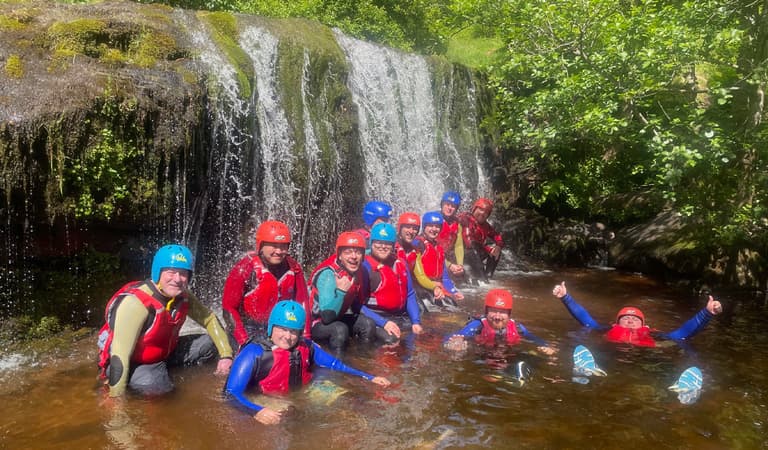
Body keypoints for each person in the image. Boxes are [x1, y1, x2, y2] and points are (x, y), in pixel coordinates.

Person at [97, 244, 233, 397]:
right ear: (157, 272)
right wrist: (116, 402)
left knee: (209, 344)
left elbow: (209, 320)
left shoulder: (183, 296)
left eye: (183, 274)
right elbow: (119, 355)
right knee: (163, 394)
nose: (177, 279)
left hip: (165, 353)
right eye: (171, 272)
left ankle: (163, 373)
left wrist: (226, 356)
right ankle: (143, 383)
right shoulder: (136, 304)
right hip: (138, 363)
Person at [225, 301, 391, 425]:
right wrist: (256, 411)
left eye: (293, 331)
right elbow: (230, 394)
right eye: (282, 329)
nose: (287, 336)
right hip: (265, 397)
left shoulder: (306, 346)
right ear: (271, 327)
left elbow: (335, 365)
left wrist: (369, 377)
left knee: (352, 400)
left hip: (306, 389)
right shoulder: (254, 353)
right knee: (291, 418)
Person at [221, 220, 310, 348]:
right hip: (249, 328)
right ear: (261, 245)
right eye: (274, 245)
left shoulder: (294, 268)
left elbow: (302, 303)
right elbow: (228, 308)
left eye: (284, 246)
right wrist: (243, 341)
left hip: (280, 327)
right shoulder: (245, 267)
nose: (279, 251)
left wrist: (306, 337)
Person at [551, 281, 723, 347]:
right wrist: (565, 297)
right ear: (616, 323)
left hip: (643, 359)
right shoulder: (606, 329)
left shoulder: (653, 335)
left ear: (644, 325)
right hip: (613, 355)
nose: (631, 321)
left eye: (635, 319)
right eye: (626, 318)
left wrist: (706, 313)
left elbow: (682, 333)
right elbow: (585, 319)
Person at [308, 231, 377, 352]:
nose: (354, 257)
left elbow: (356, 306)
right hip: (316, 323)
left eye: (358, 252)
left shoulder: (358, 271)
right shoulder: (329, 275)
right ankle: (337, 366)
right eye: (348, 252)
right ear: (339, 255)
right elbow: (327, 317)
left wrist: (383, 322)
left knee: (368, 324)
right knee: (340, 330)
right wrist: (340, 291)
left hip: (337, 317)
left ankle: (363, 359)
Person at [361, 223, 424, 345]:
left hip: (398, 316)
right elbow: (356, 305)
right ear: (371, 243)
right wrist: (383, 323)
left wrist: (416, 322)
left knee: (423, 337)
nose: (383, 247)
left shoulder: (401, 264)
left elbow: (410, 294)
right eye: (378, 242)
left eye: (388, 243)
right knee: (391, 342)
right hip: (374, 316)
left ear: (393, 245)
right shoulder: (364, 267)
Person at [444, 289, 556, 355]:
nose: (497, 317)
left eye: (502, 312)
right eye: (493, 311)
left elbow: (534, 338)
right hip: (481, 355)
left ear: (509, 314)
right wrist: (451, 343)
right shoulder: (477, 326)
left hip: (506, 355)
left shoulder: (518, 328)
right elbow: (452, 337)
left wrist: (546, 346)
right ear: (486, 311)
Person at [412, 211, 464, 308]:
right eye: (430, 226)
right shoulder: (417, 244)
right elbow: (417, 275)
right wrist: (434, 286)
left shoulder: (438, 247)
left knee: (453, 304)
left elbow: (444, 277)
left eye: (437, 226)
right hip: (419, 286)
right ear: (424, 227)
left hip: (434, 285)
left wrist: (453, 291)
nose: (434, 229)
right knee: (434, 306)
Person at [458, 197, 504, 282]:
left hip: (476, 254)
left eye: (486, 212)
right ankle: (483, 279)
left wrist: (498, 246)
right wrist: (488, 249)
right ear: (475, 209)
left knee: (496, 251)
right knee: (474, 248)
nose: (483, 213)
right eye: (481, 209)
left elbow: (497, 236)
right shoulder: (465, 218)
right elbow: (469, 242)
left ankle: (488, 276)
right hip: (463, 255)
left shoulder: (485, 225)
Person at [437, 191, 465, 281]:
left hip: (446, 257)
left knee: (463, 278)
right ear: (442, 205)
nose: (449, 208)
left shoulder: (457, 224)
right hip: (433, 257)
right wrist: (449, 265)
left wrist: (460, 265)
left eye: (453, 206)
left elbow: (459, 246)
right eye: (447, 204)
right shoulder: (434, 221)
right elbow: (431, 249)